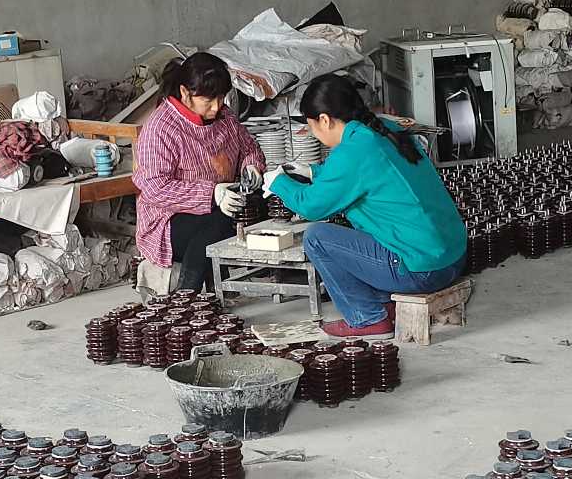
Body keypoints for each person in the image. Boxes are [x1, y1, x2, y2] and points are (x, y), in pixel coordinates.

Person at [264, 74, 468, 338]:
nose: (313, 134)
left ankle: (367, 318)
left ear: (324, 120)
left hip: (422, 269)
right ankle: (384, 304)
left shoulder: (353, 151)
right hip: (452, 257)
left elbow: (311, 206)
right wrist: (313, 171)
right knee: (367, 230)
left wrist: (279, 183)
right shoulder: (383, 129)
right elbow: (360, 174)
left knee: (317, 238)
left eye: (312, 126)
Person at [133, 51, 265, 292]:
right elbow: (155, 188)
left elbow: (249, 147)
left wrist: (252, 166)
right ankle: (188, 296)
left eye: (221, 98)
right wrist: (212, 193)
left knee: (262, 203)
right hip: (169, 220)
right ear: (185, 93)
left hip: (221, 204)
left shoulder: (224, 116)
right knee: (219, 224)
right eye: (209, 100)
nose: (217, 107)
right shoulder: (161, 128)